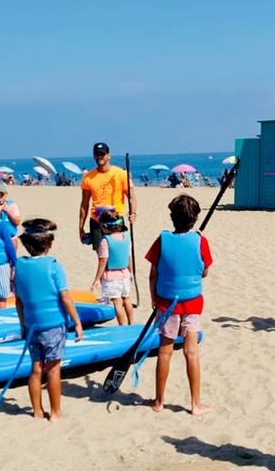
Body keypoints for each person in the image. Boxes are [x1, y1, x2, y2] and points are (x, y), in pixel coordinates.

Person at [144, 194, 213, 416]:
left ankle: (159, 401)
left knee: (165, 351)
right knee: (191, 352)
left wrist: (153, 297)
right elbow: (204, 272)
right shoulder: (200, 241)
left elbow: (153, 274)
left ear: (172, 217)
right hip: (191, 305)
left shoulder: (162, 240)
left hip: (167, 304)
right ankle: (195, 404)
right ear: (194, 219)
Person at [15, 218, 83, 421]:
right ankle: (55, 412)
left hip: (32, 323)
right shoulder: (54, 266)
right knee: (53, 369)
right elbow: (65, 297)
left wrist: (22, 324)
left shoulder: (20, 266)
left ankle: (37, 411)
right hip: (53, 324)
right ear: (49, 243)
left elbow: (19, 300)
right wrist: (77, 322)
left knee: (36, 367)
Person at [79, 142, 137, 251]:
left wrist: (133, 213)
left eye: (102, 154)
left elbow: (131, 197)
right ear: (94, 156)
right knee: (102, 256)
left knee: (119, 252)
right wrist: (81, 227)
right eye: (97, 154)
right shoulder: (88, 178)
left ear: (109, 155)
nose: (99, 156)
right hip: (97, 219)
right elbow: (84, 204)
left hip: (116, 219)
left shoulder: (121, 174)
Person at [90, 207, 134, 325]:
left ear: (104, 226)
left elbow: (103, 260)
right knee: (127, 299)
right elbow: (129, 257)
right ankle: (131, 323)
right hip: (125, 273)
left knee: (117, 302)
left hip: (111, 276)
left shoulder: (105, 241)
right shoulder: (126, 237)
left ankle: (122, 325)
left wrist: (96, 279)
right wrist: (131, 272)